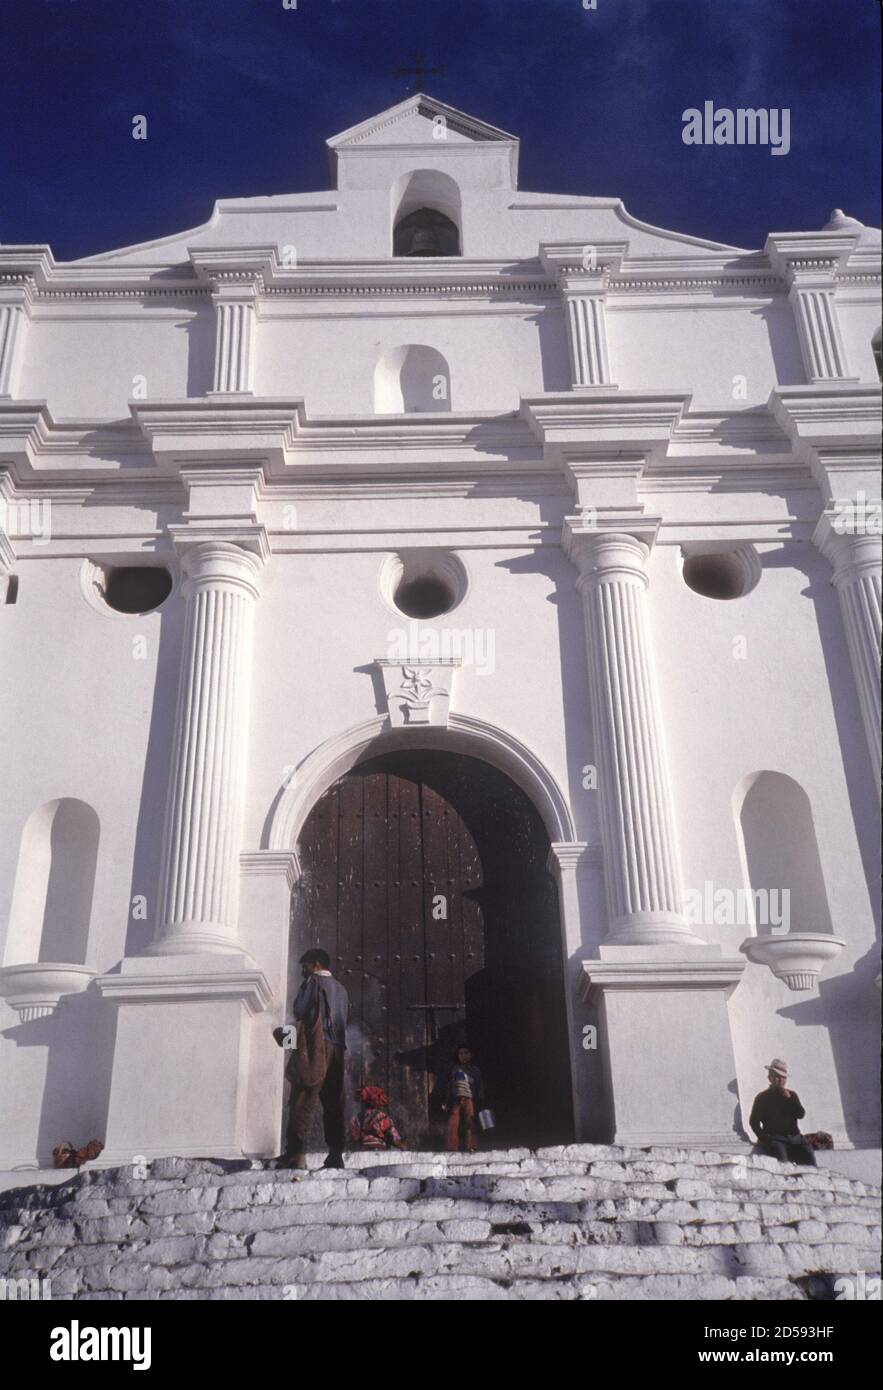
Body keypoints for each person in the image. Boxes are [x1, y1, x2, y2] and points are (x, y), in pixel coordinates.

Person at [273, 949, 350, 1171]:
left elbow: (299, 1010)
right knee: (334, 1105)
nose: (302, 971)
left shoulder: (313, 982)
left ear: (315, 965)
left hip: (316, 1048)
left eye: (304, 965)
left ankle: (295, 1155)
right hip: (337, 1050)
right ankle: (335, 1156)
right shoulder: (342, 990)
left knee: (303, 1099)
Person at [748, 1058, 817, 1167]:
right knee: (783, 1163)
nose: (780, 1080)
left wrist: (790, 1100)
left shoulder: (792, 1095)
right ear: (770, 1078)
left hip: (796, 1138)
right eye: (777, 1077)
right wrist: (766, 1139)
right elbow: (753, 1122)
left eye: (783, 1078)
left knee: (809, 1157)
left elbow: (801, 1114)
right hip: (776, 1139)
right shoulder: (762, 1098)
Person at [442, 1045, 484, 1153]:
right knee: (452, 1121)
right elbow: (449, 1086)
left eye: (466, 1053)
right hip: (456, 1099)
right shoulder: (455, 1069)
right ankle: (452, 1147)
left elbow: (479, 1085)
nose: (463, 1056)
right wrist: (446, 1101)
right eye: (461, 1053)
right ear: (457, 1056)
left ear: (470, 1055)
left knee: (470, 1121)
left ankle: (471, 1146)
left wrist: (481, 1098)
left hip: (470, 1099)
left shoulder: (475, 1070)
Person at [349, 1085, 407, 1152]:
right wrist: (401, 1146)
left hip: (359, 1153)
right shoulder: (380, 1116)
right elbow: (394, 1137)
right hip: (378, 1153)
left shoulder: (355, 1119)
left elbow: (352, 1137)